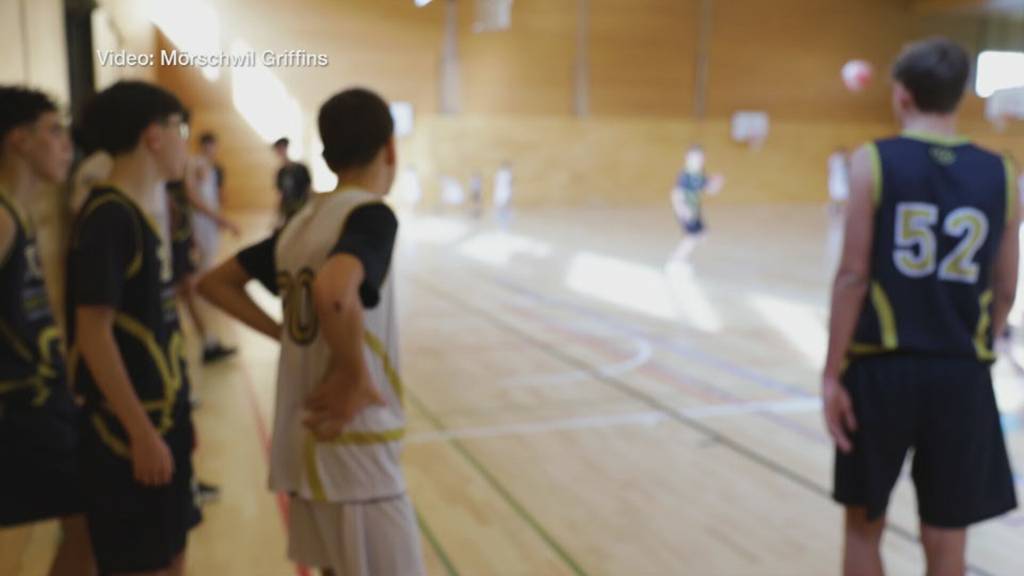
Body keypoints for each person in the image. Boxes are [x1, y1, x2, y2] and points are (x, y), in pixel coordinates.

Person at [199, 87, 424, 576]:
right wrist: (352, 373)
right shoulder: (370, 215)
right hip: (354, 447)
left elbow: (215, 284)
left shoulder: (302, 224)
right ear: (390, 148)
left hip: (304, 444)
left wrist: (284, 333)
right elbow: (334, 290)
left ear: (325, 153)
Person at [822, 37, 1018, 576]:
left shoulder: (872, 161)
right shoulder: (1002, 174)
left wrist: (832, 372)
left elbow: (853, 276)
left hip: (881, 370)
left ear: (901, 95)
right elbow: (1006, 288)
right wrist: (979, 341)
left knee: (864, 530)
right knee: (946, 540)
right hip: (960, 376)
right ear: (960, 98)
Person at [67, 80, 201, 576]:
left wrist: (179, 417)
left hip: (163, 421)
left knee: (172, 555)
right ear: (154, 135)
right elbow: (94, 334)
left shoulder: (135, 213)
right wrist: (142, 432)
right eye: (180, 128)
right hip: (127, 434)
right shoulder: (108, 218)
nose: (186, 141)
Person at [0, 85, 95, 576]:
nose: (67, 145)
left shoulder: (21, 212)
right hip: (20, 410)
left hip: (41, 402)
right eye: (54, 132)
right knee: (90, 523)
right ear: (18, 139)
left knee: (86, 522)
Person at [670, 145, 723, 237]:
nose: (697, 162)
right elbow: (675, 194)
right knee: (692, 239)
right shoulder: (685, 176)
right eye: (694, 159)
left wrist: (717, 183)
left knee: (703, 233)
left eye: (699, 159)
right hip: (687, 211)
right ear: (687, 158)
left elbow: (710, 190)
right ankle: (678, 252)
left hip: (694, 209)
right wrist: (681, 210)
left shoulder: (699, 173)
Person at [273, 137, 312, 225]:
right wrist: (278, 215)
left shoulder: (301, 168)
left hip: (301, 208)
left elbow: (308, 189)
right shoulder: (281, 173)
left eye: (281, 148)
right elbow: (280, 194)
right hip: (288, 210)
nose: (280, 152)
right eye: (278, 149)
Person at [828, 146, 851, 216]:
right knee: (836, 195)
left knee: (844, 195)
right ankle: (834, 210)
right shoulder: (835, 158)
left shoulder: (844, 159)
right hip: (837, 179)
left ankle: (841, 210)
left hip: (843, 180)